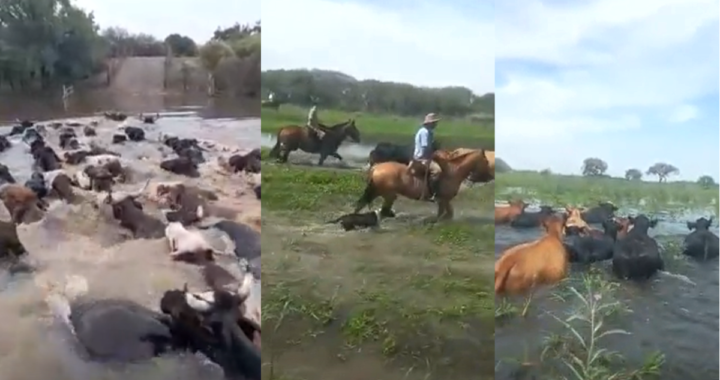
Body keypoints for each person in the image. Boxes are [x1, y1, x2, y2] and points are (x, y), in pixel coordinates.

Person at [413, 113, 442, 201]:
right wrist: (431, 155)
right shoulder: (425, 132)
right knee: (437, 171)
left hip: (424, 156)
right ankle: (431, 192)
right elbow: (425, 147)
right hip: (422, 158)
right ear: (429, 123)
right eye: (434, 123)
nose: (435, 124)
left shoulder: (428, 132)